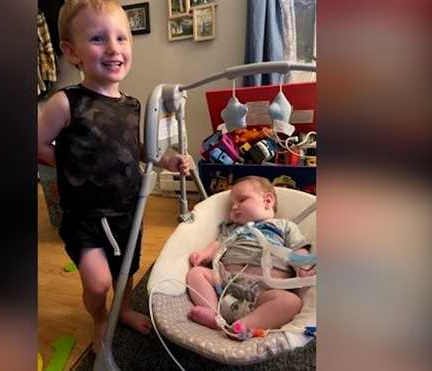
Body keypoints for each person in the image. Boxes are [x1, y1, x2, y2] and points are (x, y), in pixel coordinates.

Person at [37, 0, 189, 353]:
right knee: (98, 281)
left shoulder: (134, 105)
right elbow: (39, 143)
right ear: (71, 52)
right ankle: (101, 318)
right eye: (97, 39)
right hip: (85, 218)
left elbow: (137, 148)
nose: (114, 48)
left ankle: (123, 309)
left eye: (122, 38)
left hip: (128, 209)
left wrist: (167, 161)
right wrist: (68, 165)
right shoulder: (66, 102)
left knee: (126, 268)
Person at [186, 176, 315, 339]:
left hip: (267, 290)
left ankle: (245, 325)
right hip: (226, 281)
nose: (234, 207)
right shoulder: (232, 229)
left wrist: (303, 267)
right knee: (196, 273)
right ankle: (214, 314)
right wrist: (203, 255)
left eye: (241, 200)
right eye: (232, 204)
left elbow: (299, 250)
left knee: (292, 303)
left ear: (267, 201)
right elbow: (218, 245)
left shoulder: (284, 226)